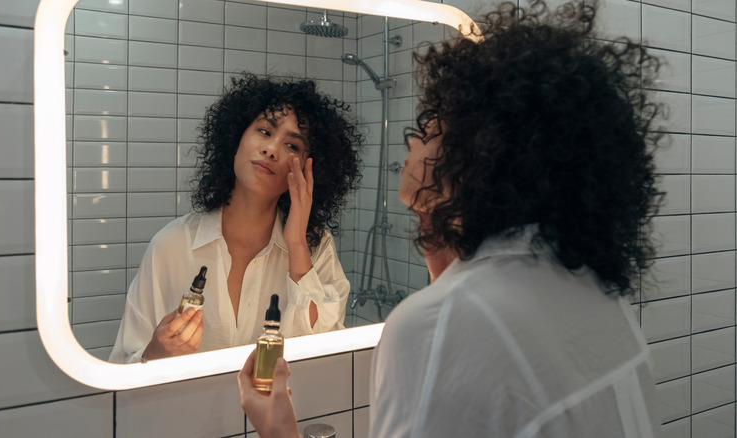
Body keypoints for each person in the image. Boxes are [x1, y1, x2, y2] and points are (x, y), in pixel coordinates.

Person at [237, 1, 663, 436]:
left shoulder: (439, 326)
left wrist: (280, 430)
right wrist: (433, 223)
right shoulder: (594, 293)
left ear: (485, 152)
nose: (416, 133)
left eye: (436, 122)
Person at [109, 74, 362, 363]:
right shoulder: (172, 244)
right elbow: (122, 363)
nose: (271, 150)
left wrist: (296, 246)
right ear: (236, 137)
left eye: (292, 146)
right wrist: (156, 352)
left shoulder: (316, 247)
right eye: (265, 131)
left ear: (308, 169)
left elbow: (328, 353)